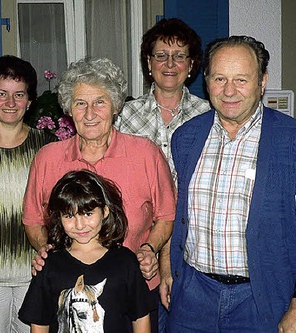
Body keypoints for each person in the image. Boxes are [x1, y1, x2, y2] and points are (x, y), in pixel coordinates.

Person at [162, 35, 296, 332]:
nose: (229, 91)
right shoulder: (186, 138)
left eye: (241, 80)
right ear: (206, 81)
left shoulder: (294, 142)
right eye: (219, 78)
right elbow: (172, 211)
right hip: (192, 294)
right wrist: (168, 268)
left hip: (262, 299)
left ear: (262, 82)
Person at [23, 57, 176, 332]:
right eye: (80, 103)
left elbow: (166, 214)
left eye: (100, 102)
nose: (90, 113)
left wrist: (149, 249)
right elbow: (33, 219)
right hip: (69, 295)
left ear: (116, 106)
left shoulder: (145, 154)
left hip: (132, 290)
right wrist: (46, 249)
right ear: (69, 109)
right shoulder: (48, 158)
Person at [0, 55, 55, 332]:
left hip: (35, 271)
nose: (10, 103)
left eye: (19, 95)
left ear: (30, 101)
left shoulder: (48, 147)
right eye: (2, 94)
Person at [19, 170, 155, 332]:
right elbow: (39, 323)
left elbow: (140, 318)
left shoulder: (126, 261)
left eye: (88, 214)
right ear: (59, 217)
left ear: (104, 211)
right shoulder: (48, 264)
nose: (80, 225)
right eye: (69, 216)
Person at [114, 18, 210, 181]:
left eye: (179, 56)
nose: (170, 64)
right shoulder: (124, 115)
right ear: (149, 63)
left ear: (191, 64)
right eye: (161, 56)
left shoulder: (208, 114)